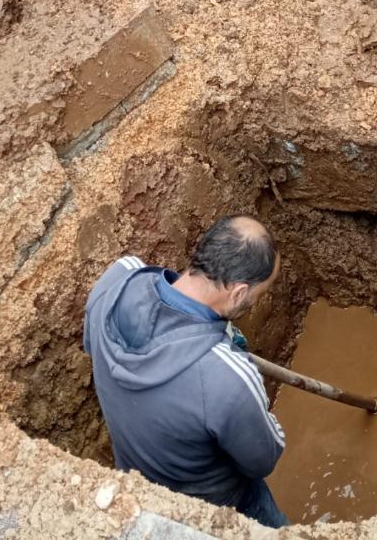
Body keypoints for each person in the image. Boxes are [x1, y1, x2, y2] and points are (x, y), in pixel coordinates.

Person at [83, 215, 288, 528]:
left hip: (140, 488)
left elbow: (90, 345)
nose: (256, 302)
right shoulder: (227, 379)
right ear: (237, 293)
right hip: (219, 505)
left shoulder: (117, 279)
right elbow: (262, 460)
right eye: (257, 295)